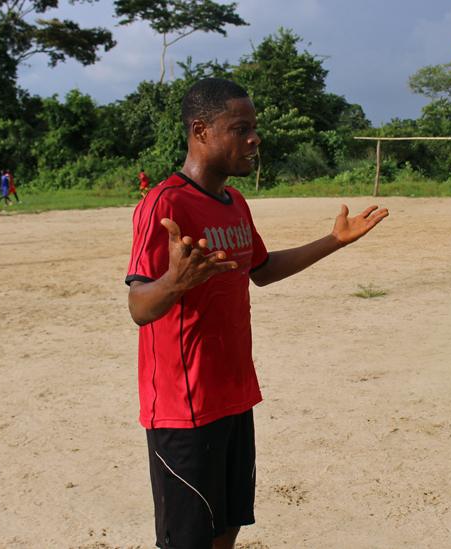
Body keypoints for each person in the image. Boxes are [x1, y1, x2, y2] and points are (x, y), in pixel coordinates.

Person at [125, 78, 388, 549]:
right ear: (201, 131)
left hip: (234, 396)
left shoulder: (235, 203)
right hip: (184, 408)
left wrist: (334, 241)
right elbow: (139, 306)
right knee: (186, 541)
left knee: (227, 529)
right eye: (240, 129)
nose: (254, 139)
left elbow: (262, 270)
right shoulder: (165, 202)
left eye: (255, 128)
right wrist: (176, 282)